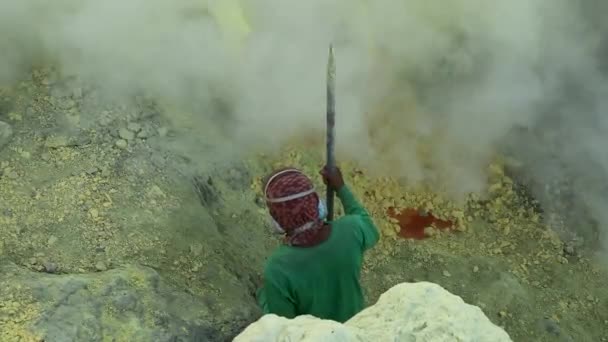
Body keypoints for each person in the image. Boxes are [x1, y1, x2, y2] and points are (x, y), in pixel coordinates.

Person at [256, 165, 379, 323]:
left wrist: (264, 296)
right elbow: (366, 222)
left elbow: (282, 326)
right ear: (314, 200)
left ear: (276, 216)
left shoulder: (278, 270)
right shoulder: (351, 230)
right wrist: (340, 188)